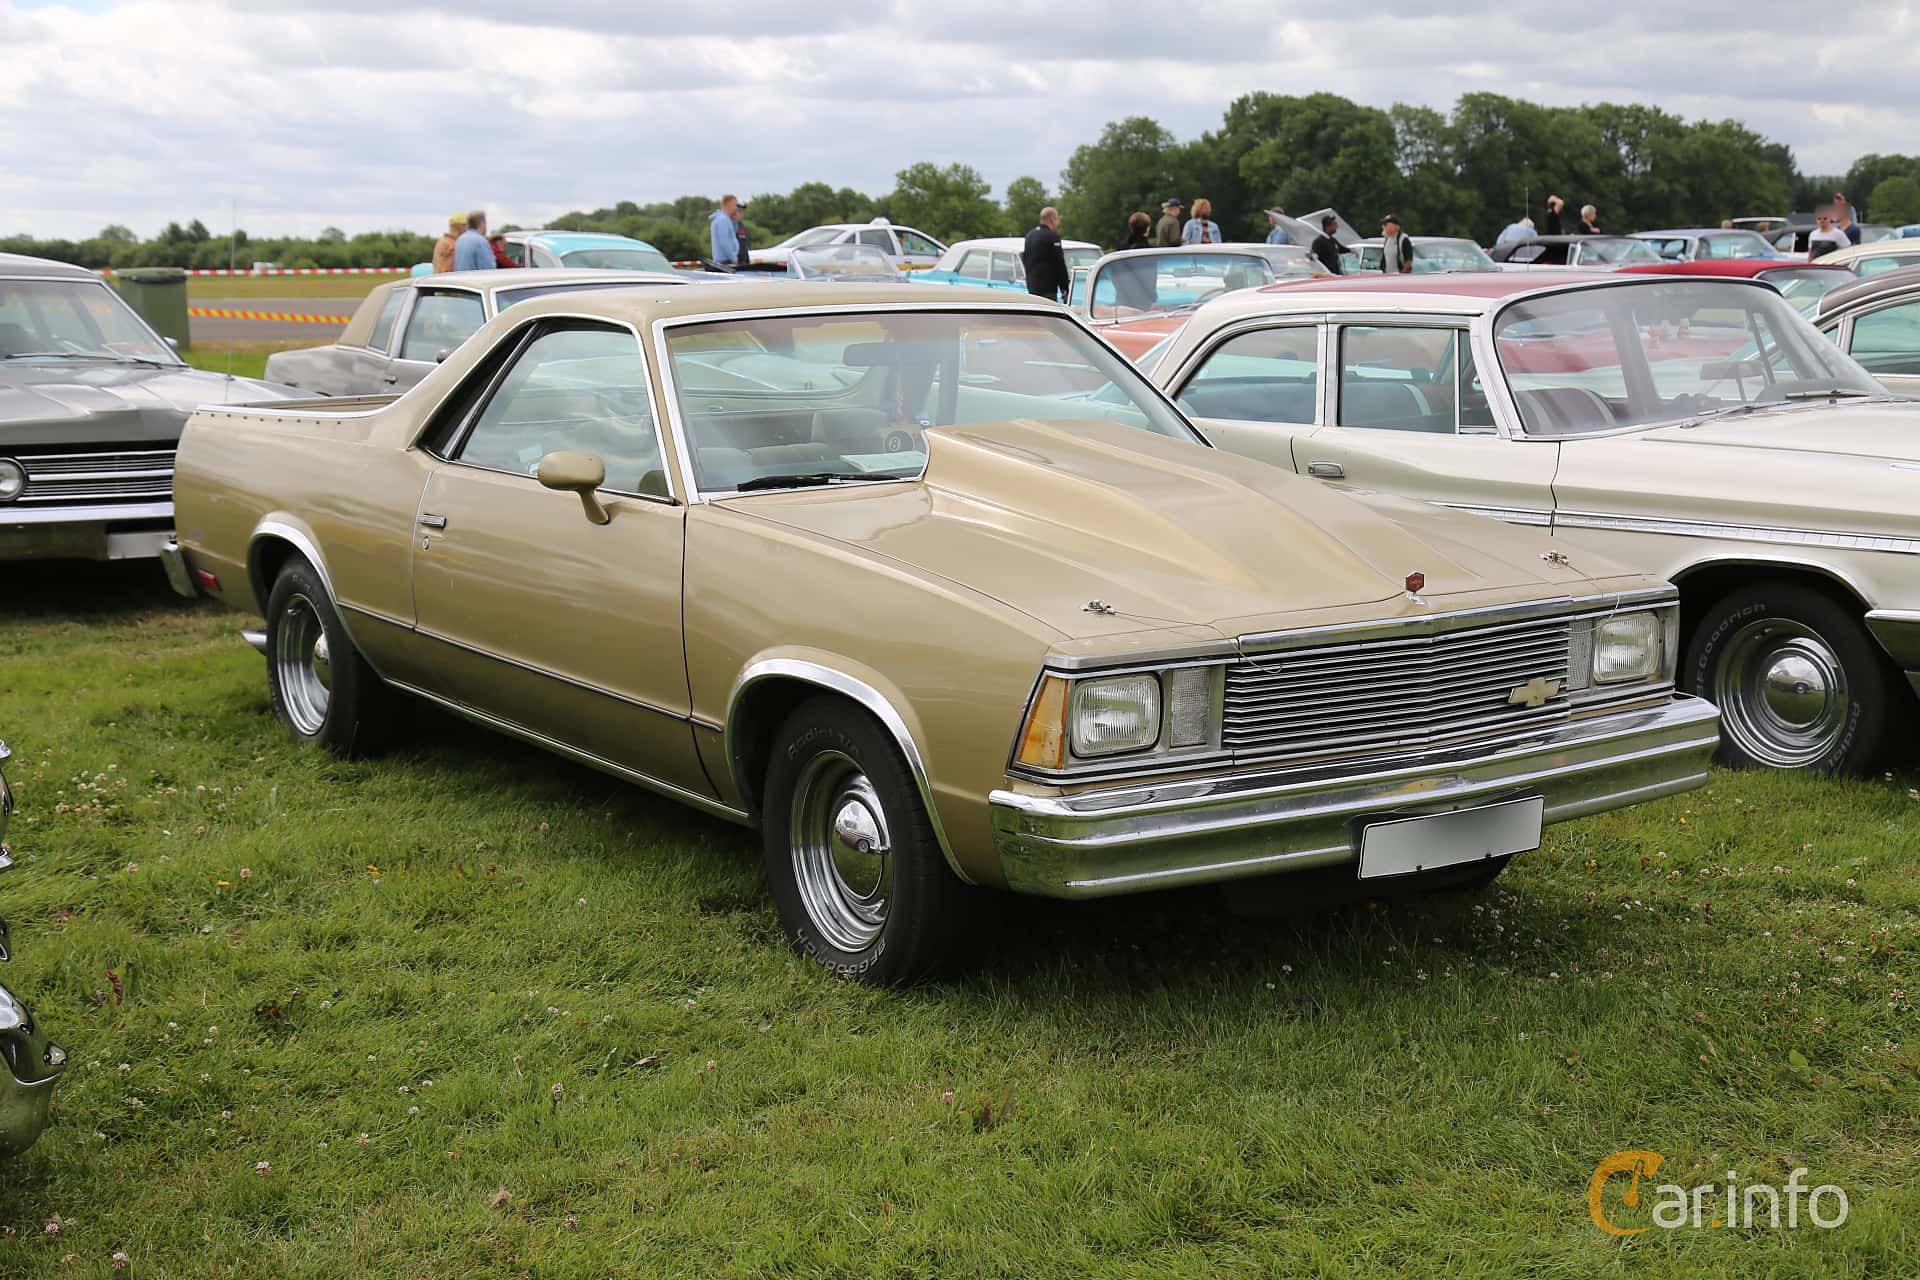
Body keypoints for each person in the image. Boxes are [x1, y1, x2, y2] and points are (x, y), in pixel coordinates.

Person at [1022, 206, 1071, 303]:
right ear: (1053, 220)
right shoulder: (1052, 237)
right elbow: (1059, 264)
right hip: (1047, 288)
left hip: (1032, 286)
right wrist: (1064, 288)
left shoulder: (1029, 236)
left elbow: (1025, 259)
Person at [709, 195, 742, 266]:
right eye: (734, 204)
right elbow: (724, 242)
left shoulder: (725, 219)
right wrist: (733, 258)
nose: (736, 208)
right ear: (728, 205)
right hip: (725, 262)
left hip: (726, 261)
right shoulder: (722, 220)